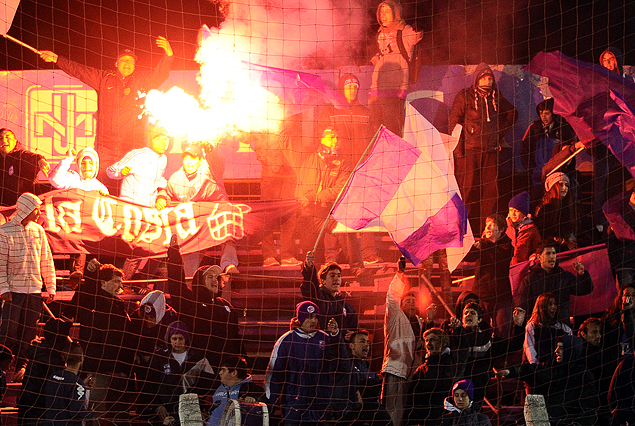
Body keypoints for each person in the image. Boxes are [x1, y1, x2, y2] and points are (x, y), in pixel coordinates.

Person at [39, 37, 174, 195]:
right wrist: (57, 59)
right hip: (106, 147)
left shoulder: (141, 81)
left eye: (131, 62)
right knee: (103, 191)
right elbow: (80, 71)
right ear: (116, 63)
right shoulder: (104, 78)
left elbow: (160, 75)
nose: (128, 64)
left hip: (131, 147)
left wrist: (169, 56)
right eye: (124, 60)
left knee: (131, 189)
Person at [317, 72, 381, 265]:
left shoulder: (366, 112)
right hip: (338, 172)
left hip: (361, 170)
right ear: (340, 88)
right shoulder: (330, 112)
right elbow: (323, 141)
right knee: (334, 211)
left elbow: (374, 140)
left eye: (355, 87)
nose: (352, 90)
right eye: (348, 86)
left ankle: (368, 254)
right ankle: (331, 257)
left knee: (364, 211)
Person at [449, 62, 518, 232]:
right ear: (477, 79)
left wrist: (498, 134)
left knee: (490, 193)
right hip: (469, 152)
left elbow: (513, 113)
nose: (488, 81)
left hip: (490, 151)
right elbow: (453, 123)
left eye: (491, 78)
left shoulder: (496, 96)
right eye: (485, 77)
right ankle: (463, 231)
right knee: (468, 192)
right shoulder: (465, 96)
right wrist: (458, 151)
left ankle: (485, 233)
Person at [63, 259, 132, 422]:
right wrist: (91, 274)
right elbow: (78, 302)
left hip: (118, 372)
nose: (120, 287)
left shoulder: (119, 307)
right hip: (97, 372)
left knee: (118, 417)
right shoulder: (92, 302)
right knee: (95, 415)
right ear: (102, 283)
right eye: (116, 282)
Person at [157, 142, 238, 275]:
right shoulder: (176, 178)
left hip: (216, 219)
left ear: (200, 160)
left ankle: (228, 264)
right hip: (195, 225)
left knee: (229, 227)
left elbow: (218, 160)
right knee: (189, 267)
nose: (188, 162)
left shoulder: (211, 170)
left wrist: (210, 148)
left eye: (193, 158)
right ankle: (190, 282)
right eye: (186, 158)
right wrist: (161, 197)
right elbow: (166, 192)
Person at [0, 192, 56, 374]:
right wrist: (3, 288)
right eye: (36, 209)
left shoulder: (38, 231)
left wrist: (51, 286)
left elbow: (46, 260)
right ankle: (3, 363)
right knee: (8, 330)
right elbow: (0, 263)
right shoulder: (4, 231)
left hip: (34, 290)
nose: (39, 213)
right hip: (13, 291)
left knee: (29, 331)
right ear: (26, 209)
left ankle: (21, 365)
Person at [265, 301, 339, 425]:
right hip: (294, 402)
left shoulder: (325, 338)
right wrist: (271, 402)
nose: (313, 321)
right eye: (309, 317)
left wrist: (336, 336)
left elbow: (337, 365)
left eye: (315, 317)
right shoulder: (286, 340)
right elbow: (274, 375)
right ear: (300, 318)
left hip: (321, 401)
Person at [167, 252, 242, 371]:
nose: (214, 280)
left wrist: (242, 359)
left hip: (226, 368)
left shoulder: (225, 306)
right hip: (200, 367)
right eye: (209, 277)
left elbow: (236, 337)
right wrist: (174, 254)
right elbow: (176, 285)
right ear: (199, 281)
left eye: (216, 277)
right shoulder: (190, 303)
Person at [48, 146, 108, 284]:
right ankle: (71, 272)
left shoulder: (100, 187)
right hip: (67, 222)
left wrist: (106, 198)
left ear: (96, 166)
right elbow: (54, 180)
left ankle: (83, 272)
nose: (87, 166)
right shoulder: (72, 177)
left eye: (90, 163)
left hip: (88, 228)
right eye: (83, 163)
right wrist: (68, 159)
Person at [447, 302, 525, 407]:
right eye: (466, 313)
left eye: (472, 313)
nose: (468, 315)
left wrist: (518, 325)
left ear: (479, 320)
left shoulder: (488, 339)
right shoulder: (454, 335)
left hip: (478, 391)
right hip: (456, 389)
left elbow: (513, 346)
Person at [145, 321, 214, 426]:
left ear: (186, 338)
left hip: (191, 408)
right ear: (169, 339)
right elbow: (150, 384)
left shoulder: (198, 358)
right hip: (167, 408)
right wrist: (156, 405)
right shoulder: (160, 357)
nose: (177, 342)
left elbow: (209, 383)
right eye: (174, 339)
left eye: (180, 338)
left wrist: (204, 406)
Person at [369, 0, 422, 136]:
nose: (383, 15)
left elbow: (415, 36)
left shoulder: (403, 31)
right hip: (376, 91)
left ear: (395, 12)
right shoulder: (380, 34)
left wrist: (418, 30)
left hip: (394, 91)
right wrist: (376, 60)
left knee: (392, 131)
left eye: (387, 11)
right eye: (381, 12)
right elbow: (382, 53)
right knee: (375, 130)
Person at [381, 259, 424, 426]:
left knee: (408, 414)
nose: (412, 303)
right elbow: (391, 298)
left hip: (413, 373)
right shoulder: (395, 316)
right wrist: (400, 275)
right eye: (408, 301)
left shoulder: (420, 322)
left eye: (414, 301)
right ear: (401, 304)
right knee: (394, 412)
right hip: (396, 370)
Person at [516, 241, 593, 322]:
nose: (552, 257)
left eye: (554, 253)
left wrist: (582, 275)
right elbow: (522, 305)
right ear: (539, 257)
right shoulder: (530, 279)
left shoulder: (564, 276)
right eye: (548, 254)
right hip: (539, 327)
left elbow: (584, 290)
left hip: (561, 326)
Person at [463, 214, 514, 336]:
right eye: (487, 225)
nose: (488, 228)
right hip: (482, 294)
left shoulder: (507, 246)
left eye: (492, 225)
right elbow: (469, 257)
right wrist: (470, 246)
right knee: (480, 329)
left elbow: (499, 257)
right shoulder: (482, 245)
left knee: (502, 330)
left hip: (501, 295)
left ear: (501, 230)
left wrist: (485, 246)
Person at [16, 318, 73, 426]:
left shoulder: (42, 352)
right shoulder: (50, 358)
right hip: (40, 413)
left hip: (32, 411)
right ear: (58, 337)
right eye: (64, 335)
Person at [520, 98, 578, 201]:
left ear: (553, 113)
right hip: (538, 176)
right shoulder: (534, 129)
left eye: (546, 113)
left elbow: (570, 153)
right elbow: (525, 151)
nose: (543, 116)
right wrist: (532, 170)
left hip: (557, 176)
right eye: (541, 113)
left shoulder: (563, 128)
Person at [333, 329, 391, 426]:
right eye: (362, 341)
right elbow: (340, 351)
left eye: (368, 342)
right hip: (348, 415)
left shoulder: (372, 374)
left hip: (366, 415)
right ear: (352, 346)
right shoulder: (346, 365)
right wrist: (335, 334)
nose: (366, 345)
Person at [301, 252, 359, 335]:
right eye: (332, 276)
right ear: (323, 281)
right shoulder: (318, 297)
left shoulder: (346, 305)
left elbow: (354, 328)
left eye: (339, 276)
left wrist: (352, 335)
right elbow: (310, 285)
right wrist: (309, 268)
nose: (336, 279)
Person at [106, 132, 169, 207]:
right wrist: (121, 172)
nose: (162, 142)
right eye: (158, 139)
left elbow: (159, 179)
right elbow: (110, 170)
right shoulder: (138, 154)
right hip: (130, 207)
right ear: (150, 140)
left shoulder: (163, 159)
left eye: (165, 139)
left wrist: (162, 195)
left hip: (149, 209)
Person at [409, 328, 456, 426]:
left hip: (447, 418)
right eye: (427, 340)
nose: (428, 343)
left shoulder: (452, 363)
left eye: (433, 339)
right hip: (427, 420)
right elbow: (413, 400)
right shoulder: (421, 370)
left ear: (443, 343)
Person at [206, 356, 268, 426]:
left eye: (223, 370)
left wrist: (254, 400)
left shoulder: (251, 389)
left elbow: (268, 407)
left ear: (234, 373)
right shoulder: (215, 387)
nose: (220, 373)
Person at [44, 341, 94, 426]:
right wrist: (91, 412)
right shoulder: (77, 384)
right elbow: (77, 413)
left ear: (64, 357)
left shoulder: (53, 376)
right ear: (81, 359)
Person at [0, 128, 50, 207]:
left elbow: (30, 156)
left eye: (7, 137)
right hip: (5, 209)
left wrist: (39, 160)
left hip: (27, 208)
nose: (4, 141)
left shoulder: (21, 156)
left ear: (15, 141)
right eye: (0, 138)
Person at [534, 172, 580, 251]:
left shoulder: (571, 206)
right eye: (561, 184)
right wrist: (563, 241)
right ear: (553, 187)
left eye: (567, 185)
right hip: (552, 249)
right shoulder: (545, 208)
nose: (565, 188)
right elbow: (543, 233)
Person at [523, 293, 572, 364]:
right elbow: (529, 350)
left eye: (555, 304)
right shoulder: (532, 326)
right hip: (538, 368)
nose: (553, 307)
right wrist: (536, 367)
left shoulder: (564, 328)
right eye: (550, 304)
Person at [506, 191, 541, 265]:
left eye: (516, 211)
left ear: (524, 214)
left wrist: (534, 256)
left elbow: (538, 247)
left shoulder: (532, 229)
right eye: (511, 210)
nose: (513, 214)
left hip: (522, 266)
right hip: (506, 266)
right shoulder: (505, 225)